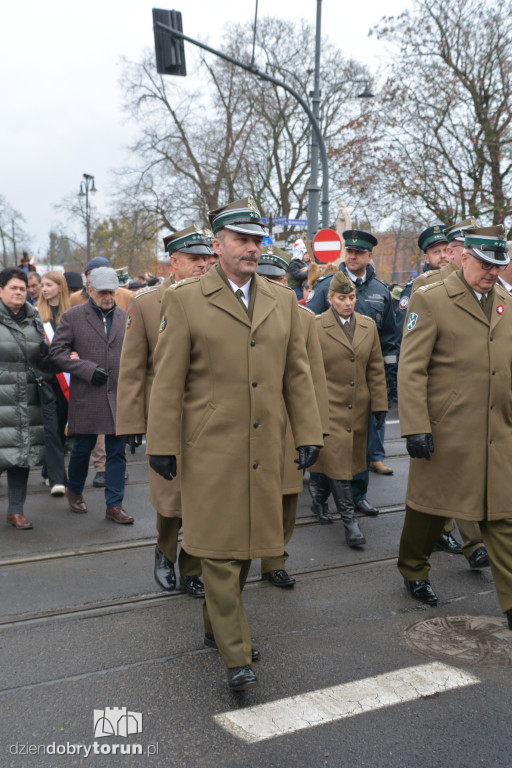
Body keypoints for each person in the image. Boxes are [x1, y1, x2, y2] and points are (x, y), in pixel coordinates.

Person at [146, 197, 323, 691]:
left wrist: (309, 432)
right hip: (210, 447)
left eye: (256, 240)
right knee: (220, 550)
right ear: (218, 244)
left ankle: (215, 626)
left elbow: (297, 373)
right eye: (241, 240)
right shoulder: (183, 299)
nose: (251, 248)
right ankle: (236, 654)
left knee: (249, 546)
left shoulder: (281, 299)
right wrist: (162, 444)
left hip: (266, 448)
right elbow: (167, 380)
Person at [397, 224, 512, 630]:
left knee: (501, 515)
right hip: (445, 428)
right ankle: (412, 569)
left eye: (498, 265)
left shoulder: (505, 301)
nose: (491, 272)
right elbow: (411, 368)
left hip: (495, 429)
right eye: (483, 263)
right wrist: (415, 426)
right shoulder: (430, 299)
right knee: (428, 509)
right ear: (464, 257)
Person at [117, 225, 213, 597]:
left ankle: (192, 569)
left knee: (203, 499)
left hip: (208, 416)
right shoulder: (145, 303)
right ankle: (164, 548)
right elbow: (132, 368)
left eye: (207, 258)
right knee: (171, 499)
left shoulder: (218, 298)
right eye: (194, 259)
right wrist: (130, 422)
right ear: (174, 262)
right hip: (166, 418)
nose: (203, 265)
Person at [307, 229, 399, 512]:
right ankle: (320, 495)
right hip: (331, 385)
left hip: (363, 385)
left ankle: (357, 496)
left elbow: (389, 340)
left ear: (370, 256)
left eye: (359, 252)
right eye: (349, 251)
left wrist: (387, 385)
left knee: (360, 443)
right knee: (328, 444)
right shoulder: (326, 287)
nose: (353, 256)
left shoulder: (380, 291)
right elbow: (308, 330)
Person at [255, 245, 329, 585]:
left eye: (278, 278)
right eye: (265, 278)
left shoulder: (303, 318)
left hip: (289, 422)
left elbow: (314, 378)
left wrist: (316, 431)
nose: (273, 284)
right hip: (250, 419)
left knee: (286, 495)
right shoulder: (241, 312)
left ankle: (275, 559)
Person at [309, 271, 388, 547]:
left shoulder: (368, 326)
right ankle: (349, 523)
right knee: (339, 465)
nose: (348, 303)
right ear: (330, 299)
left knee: (342, 462)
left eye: (352, 297)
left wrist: (379, 405)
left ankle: (318, 499)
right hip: (328, 408)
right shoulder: (315, 326)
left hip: (358, 410)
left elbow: (376, 369)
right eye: (342, 298)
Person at [49, 267, 133, 524]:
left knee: (117, 452)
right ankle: (74, 490)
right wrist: (85, 368)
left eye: (112, 292)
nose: (108, 297)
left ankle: (114, 505)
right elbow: (57, 353)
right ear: (90, 291)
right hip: (88, 394)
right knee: (82, 449)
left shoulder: (126, 317)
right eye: (103, 292)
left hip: (118, 394)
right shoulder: (73, 317)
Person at [0, 267, 51, 528]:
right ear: (0, 291)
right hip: (2, 394)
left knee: (21, 456)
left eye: (23, 288)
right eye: (13, 288)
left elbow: (43, 356)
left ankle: (16, 510)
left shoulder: (34, 319)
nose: (19, 292)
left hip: (27, 397)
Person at [36, 271, 71, 496]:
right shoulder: (36, 315)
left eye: (49, 284)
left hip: (67, 380)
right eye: (42, 285)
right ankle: (59, 479)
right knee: (50, 429)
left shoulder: (72, 314)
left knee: (59, 428)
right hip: (45, 380)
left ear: (60, 287)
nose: (44, 289)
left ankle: (48, 469)